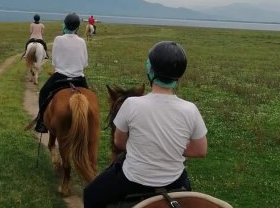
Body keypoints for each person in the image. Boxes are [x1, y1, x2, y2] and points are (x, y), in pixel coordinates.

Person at [83, 41, 207, 208]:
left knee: (90, 194)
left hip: (134, 179)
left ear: (150, 70)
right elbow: (200, 150)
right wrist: (172, 146)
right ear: (179, 75)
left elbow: (119, 142)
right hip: (174, 179)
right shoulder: (191, 109)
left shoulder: (132, 104)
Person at [34, 13, 89, 133]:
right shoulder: (82, 41)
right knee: (90, 98)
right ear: (77, 27)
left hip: (60, 76)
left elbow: (54, 62)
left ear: (65, 25)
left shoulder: (58, 39)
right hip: (79, 77)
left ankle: (41, 122)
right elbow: (85, 63)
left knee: (43, 92)